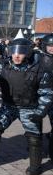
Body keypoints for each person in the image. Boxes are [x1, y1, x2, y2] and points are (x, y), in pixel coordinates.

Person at [0, 38, 53, 175]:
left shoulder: (39, 69)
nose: (17, 55)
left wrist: (40, 112)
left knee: (33, 137)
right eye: (14, 52)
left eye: (21, 52)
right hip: (9, 106)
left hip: (30, 108)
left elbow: (47, 93)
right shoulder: (3, 65)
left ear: (29, 52)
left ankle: (35, 166)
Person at [37, 34, 53, 162]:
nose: (52, 48)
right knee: (36, 125)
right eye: (50, 45)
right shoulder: (37, 58)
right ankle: (35, 149)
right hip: (39, 97)